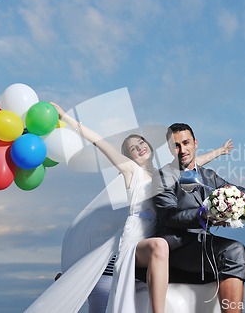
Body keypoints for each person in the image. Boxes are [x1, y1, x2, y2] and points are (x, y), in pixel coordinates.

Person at [52, 103, 235, 313]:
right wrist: (66, 117)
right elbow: (99, 142)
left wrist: (219, 151)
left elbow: (195, 162)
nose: (139, 148)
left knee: (164, 246)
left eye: (141, 142)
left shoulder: (165, 174)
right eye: (133, 148)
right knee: (160, 247)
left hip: (154, 238)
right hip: (134, 244)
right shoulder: (131, 171)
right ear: (129, 157)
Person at [152, 123, 245, 313]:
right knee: (233, 250)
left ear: (195, 143)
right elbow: (168, 215)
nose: (182, 150)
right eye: (176, 145)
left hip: (204, 245)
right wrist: (203, 214)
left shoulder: (208, 175)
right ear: (169, 149)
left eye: (186, 143)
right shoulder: (162, 177)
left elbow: (241, 193)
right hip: (177, 248)